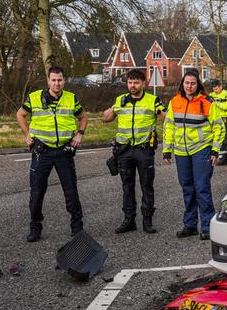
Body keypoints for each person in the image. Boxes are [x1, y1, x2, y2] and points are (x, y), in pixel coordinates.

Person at [16, 66, 87, 242]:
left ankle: (77, 227)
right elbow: (20, 114)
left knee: (71, 191)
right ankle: (35, 228)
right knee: (37, 192)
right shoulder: (34, 97)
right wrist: (27, 135)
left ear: (64, 80)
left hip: (64, 151)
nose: (57, 83)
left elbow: (83, 117)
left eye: (60, 80)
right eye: (53, 80)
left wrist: (80, 133)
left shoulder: (71, 98)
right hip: (42, 152)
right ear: (48, 81)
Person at [163, 69, 225, 241]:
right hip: (181, 152)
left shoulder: (207, 102)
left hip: (201, 149)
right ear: (182, 84)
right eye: (186, 83)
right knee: (187, 188)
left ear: (198, 85)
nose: (189, 86)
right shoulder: (174, 102)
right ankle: (190, 225)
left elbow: (219, 127)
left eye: (193, 83)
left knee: (202, 187)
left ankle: (207, 226)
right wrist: (166, 150)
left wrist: (215, 150)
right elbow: (168, 126)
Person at [102, 68, 166, 234]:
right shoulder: (121, 99)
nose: (132, 86)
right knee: (127, 186)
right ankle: (129, 220)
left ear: (143, 83)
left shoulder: (152, 100)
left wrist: (160, 112)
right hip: (124, 150)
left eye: (136, 83)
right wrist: (114, 108)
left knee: (146, 185)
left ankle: (147, 220)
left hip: (144, 150)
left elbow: (166, 117)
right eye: (130, 82)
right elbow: (105, 118)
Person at [207, 79, 227, 166]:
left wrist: (218, 104)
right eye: (213, 89)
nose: (215, 91)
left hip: (225, 119)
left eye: (216, 88)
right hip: (215, 120)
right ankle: (222, 158)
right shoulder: (211, 95)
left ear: (220, 87)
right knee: (219, 139)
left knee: (226, 139)